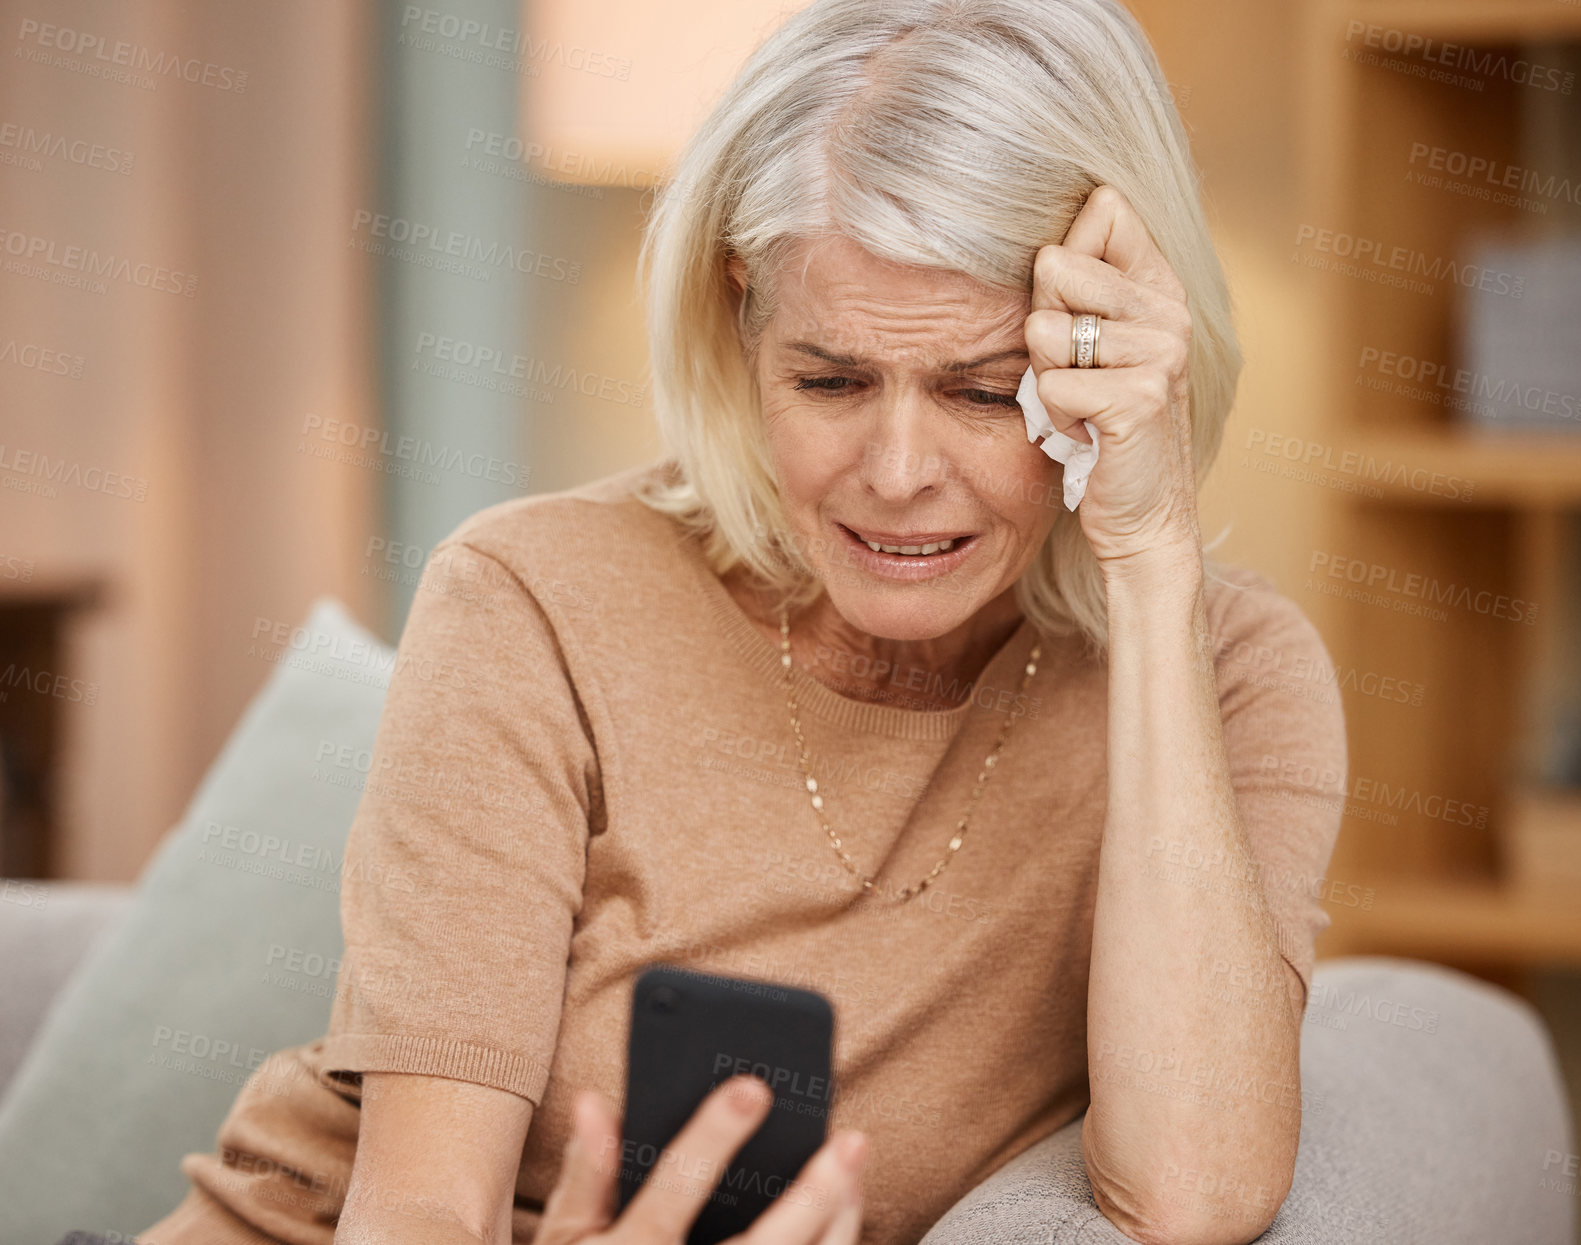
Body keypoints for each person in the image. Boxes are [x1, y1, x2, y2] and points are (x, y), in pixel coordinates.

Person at [118, 1, 1348, 1243]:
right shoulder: (528, 596)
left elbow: (1194, 1194)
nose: (899, 470)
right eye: (830, 380)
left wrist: (1146, 557)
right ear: (739, 311)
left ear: (1116, 359)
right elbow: (419, 1211)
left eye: (986, 391)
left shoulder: (1228, 675)